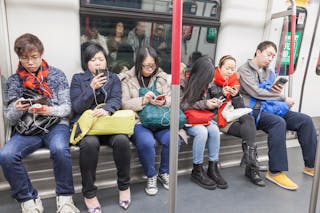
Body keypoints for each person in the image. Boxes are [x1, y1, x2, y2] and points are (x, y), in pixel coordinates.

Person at [0, 33, 79, 213]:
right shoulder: (14, 81)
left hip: (55, 125)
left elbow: (67, 108)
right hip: (27, 129)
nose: (30, 62)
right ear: (19, 58)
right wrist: (18, 108)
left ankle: (65, 199)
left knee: (60, 149)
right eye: (24, 58)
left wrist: (48, 110)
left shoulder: (56, 75)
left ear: (41, 54)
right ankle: (29, 199)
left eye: (34, 57)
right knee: (6, 155)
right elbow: (10, 117)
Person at [238, 40, 317, 190]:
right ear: (258, 52)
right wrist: (282, 98)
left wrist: (277, 93)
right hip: (254, 111)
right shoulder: (244, 70)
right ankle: (275, 172)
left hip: (271, 108)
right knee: (278, 123)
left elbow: (270, 93)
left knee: (305, 120)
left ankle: (311, 166)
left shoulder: (269, 72)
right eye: (268, 55)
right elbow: (256, 92)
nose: (270, 59)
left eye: (273, 56)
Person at [70, 42, 131, 211]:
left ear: (106, 61)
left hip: (108, 124)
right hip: (89, 127)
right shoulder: (78, 79)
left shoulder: (114, 79)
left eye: (101, 59)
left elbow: (116, 99)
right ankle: (89, 194)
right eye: (93, 59)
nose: (98, 63)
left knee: (122, 141)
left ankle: (124, 186)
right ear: (86, 63)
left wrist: (107, 109)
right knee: (89, 144)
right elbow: (76, 107)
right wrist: (91, 89)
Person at [121, 46, 181, 196]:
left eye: (153, 65)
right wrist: (143, 100)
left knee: (173, 139)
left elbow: (172, 98)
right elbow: (124, 104)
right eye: (146, 65)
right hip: (139, 120)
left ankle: (164, 172)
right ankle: (151, 175)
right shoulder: (127, 79)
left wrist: (163, 102)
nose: (150, 69)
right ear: (138, 62)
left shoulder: (162, 77)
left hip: (160, 119)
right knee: (146, 142)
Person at [208, 55, 265, 186]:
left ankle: (251, 161)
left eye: (233, 69)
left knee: (249, 118)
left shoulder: (234, 82)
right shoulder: (211, 81)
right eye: (227, 68)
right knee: (249, 129)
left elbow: (239, 107)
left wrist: (236, 95)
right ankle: (253, 167)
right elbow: (210, 107)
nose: (230, 71)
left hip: (232, 115)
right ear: (219, 67)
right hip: (219, 117)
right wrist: (222, 94)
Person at [180, 56, 228, 190]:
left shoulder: (206, 86)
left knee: (214, 130)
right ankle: (197, 169)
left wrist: (214, 102)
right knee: (202, 132)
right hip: (187, 120)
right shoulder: (184, 84)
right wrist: (205, 103)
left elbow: (205, 104)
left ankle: (213, 167)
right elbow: (182, 105)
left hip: (201, 118)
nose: (210, 81)